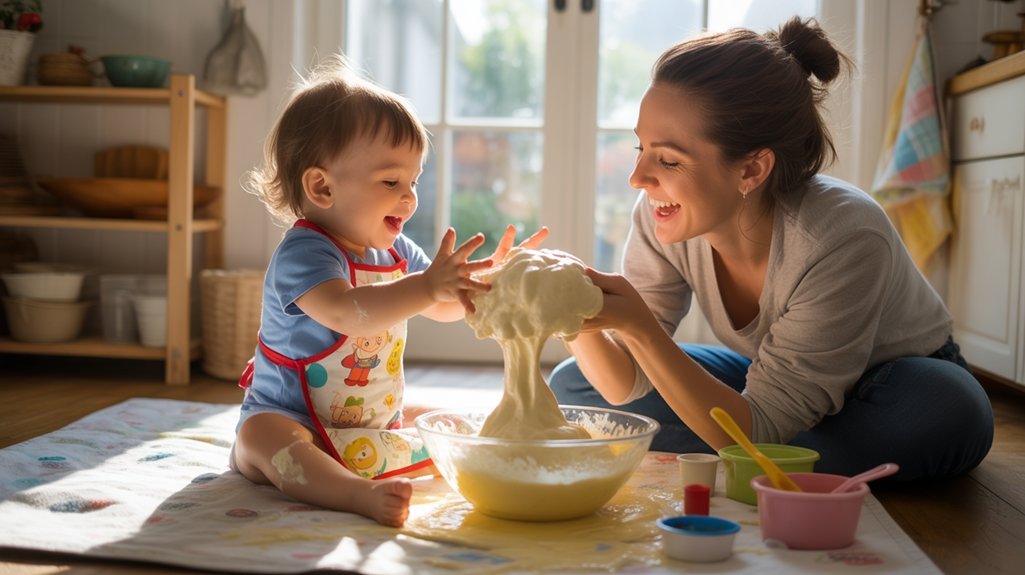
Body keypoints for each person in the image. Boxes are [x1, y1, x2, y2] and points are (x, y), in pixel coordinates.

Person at [549, 17, 993, 481]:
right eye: (640, 149)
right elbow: (623, 384)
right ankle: (785, 456)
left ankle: (757, 448)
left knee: (949, 411)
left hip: (892, 382)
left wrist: (642, 328)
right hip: (777, 377)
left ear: (752, 170)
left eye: (668, 159)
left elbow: (753, 422)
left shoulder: (843, 234)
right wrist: (572, 313)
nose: (638, 178)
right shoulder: (661, 210)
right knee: (575, 384)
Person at [232, 56, 546, 527]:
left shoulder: (395, 250)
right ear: (321, 187)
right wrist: (426, 285)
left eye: (414, 181)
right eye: (391, 181)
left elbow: (440, 307)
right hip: (294, 421)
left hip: (371, 425)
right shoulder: (305, 254)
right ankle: (355, 493)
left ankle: (482, 455)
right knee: (266, 440)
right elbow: (347, 312)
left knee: (448, 419)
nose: (410, 196)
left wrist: (488, 284)